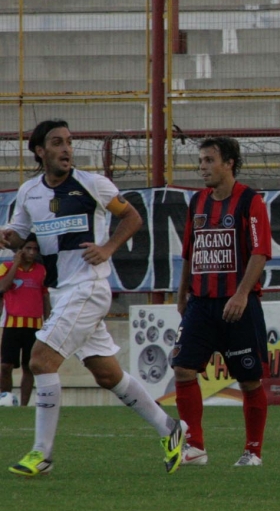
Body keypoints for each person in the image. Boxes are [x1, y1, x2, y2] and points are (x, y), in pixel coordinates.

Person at [1, 119, 187, 477]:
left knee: (40, 361)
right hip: (63, 292)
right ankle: (170, 429)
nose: (66, 149)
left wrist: (108, 247)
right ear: (40, 151)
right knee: (107, 374)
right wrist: (7, 237)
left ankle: (42, 454)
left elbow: (132, 216)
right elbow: (19, 236)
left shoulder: (91, 184)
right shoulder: (29, 193)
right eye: (57, 142)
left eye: (69, 141)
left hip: (88, 288)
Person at [172, 136, 272, 467]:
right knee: (184, 369)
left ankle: (252, 451)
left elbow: (260, 253)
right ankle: (195, 447)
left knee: (248, 379)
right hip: (201, 303)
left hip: (237, 305)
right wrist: (182, 289)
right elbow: (190, 251)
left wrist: (242, 293)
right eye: (200, 161)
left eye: (208, 161)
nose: (202, 168)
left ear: (228, 162)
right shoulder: (197, 203)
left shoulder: (250, 201)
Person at [0, 234, 50, 406]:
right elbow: (3, 287)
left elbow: (45, 297)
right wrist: (15, 264)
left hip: (35, 325)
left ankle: (23, 405)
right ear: (20, 250)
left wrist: (49, 321)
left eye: (35, 249)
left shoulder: (42, 271)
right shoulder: (5, 267)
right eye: (28, 248)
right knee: (5, 366)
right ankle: (5, 399)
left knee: (29, 367)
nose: (32, 252)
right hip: (12, 324)